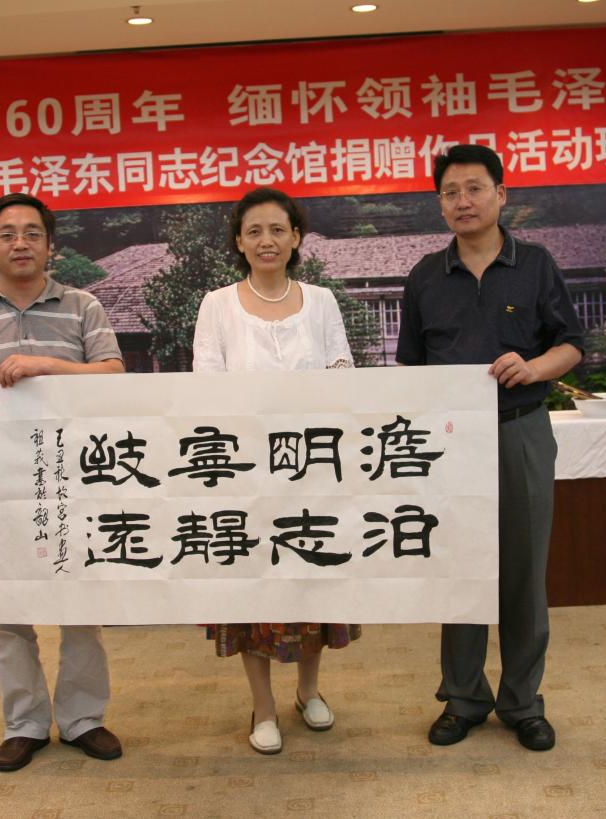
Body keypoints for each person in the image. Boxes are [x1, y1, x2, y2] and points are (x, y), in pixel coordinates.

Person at [0, 193, 126, 772]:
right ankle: (25, 723)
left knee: (79, 603)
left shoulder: (83, 306)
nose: (21, 243)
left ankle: (84, 718)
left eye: (33, 233)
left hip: (73, 478)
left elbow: (113, 375)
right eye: (8, 234)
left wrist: (46, 365)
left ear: (49, 245)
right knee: (5, 610)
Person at [396, 144, 583, 752]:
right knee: (461, 570)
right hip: (450, 444)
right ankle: (463, 699)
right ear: (439, 204)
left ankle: (523, 703)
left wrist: (534, 367)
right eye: (450, 192)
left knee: (524, 573)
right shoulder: (425, 276)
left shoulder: (536, 264)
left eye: (475, 188)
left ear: (501, 194)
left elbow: (571, 344)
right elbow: (410, 368)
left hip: (520, 429)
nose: (463, 201)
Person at [192, 187, 360, 755]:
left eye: (278, 230)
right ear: (239, 242)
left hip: (315, 469)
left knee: (313, 578)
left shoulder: (322, 301)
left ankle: (309, 690)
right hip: (244, 475)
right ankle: (262, 706)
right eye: (254, 231)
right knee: (254, 588)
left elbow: (342, 370)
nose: (267, 240)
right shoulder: (217, 304)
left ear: (296, 238)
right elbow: (207, 386)